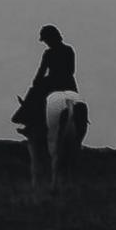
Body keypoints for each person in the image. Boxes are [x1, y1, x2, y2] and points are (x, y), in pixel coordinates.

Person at [13, 25, 77, 155]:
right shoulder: (69, 49)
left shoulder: (48, 53)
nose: (46, 43)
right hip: (69, 83)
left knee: (35, 92)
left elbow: (41, 72)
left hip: (54, 82)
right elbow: (71, 70)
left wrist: (38, 81)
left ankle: (27, 121)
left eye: (46, 40)